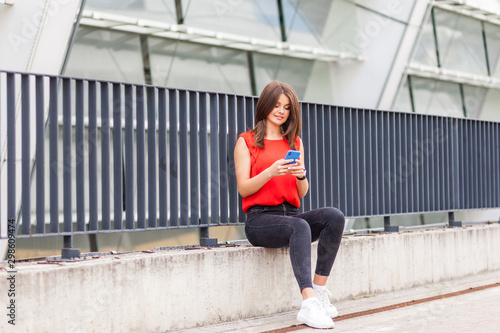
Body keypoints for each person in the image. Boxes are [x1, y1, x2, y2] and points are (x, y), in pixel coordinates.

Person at [233, 81, 345, 329]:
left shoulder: (294, 142)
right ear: (265, 106)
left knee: (334, 216)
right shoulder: (247, 141)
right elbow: (244, 188)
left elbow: (302, 192)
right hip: (261, 220)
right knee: (299, 227)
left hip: (291, 215)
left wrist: (300, 175)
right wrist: (271, 172)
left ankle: (319, 289)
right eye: (276, 105)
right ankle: (308, 303)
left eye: (286, 107)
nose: (281, 111)